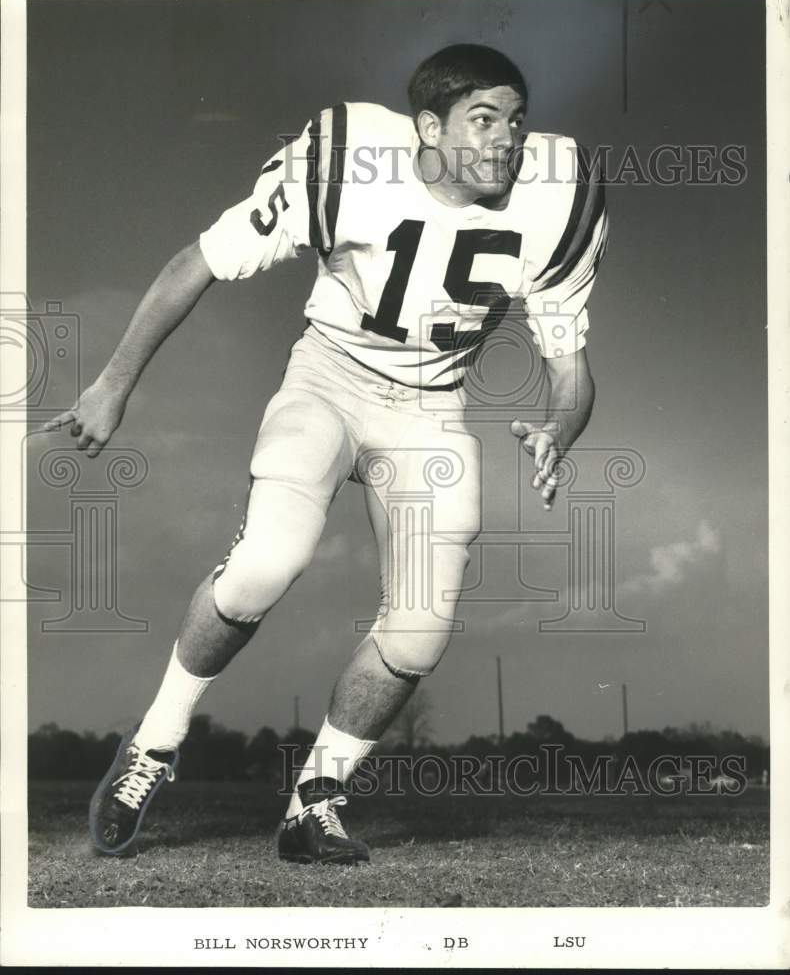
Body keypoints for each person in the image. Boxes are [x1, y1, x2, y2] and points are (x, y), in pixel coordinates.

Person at [45, 44, 607, 864]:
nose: (507, 139)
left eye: (516, 119)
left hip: (432, 406)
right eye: (483, 119)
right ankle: (155, 743)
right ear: (427, 126)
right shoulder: (348, 160)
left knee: (418, 633)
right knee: (267, 561)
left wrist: (561, 429)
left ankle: (316, 801)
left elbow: (571, 368)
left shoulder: (561, 195)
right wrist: (111, 384)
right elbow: (199, 261)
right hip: (330, 376)